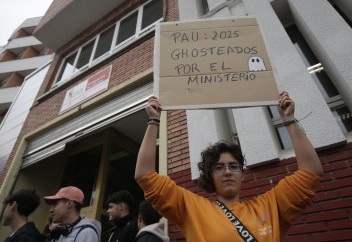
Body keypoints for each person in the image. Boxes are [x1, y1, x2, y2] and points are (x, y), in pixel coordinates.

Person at [135, 91, 323, 241]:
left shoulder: (270, 206)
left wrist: (289, 119)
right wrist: (154, 121)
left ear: (242, 174)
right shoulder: (192, 209)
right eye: (219, 167)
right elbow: (144, 174)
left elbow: (311, 172)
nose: (227, 171)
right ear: (210, 176)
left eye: (233, 166)